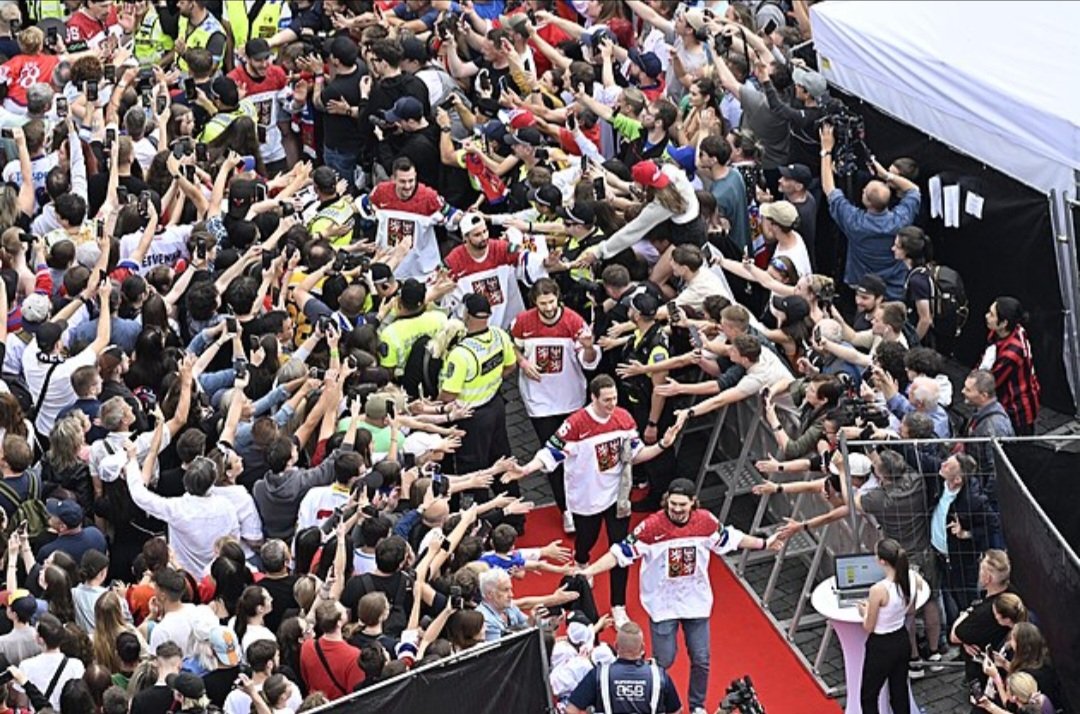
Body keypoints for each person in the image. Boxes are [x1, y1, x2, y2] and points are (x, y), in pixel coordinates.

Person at [579, 479, 776, 713]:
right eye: (672, 504)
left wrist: (764, 543)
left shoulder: (706, 521)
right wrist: (588, 571)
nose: (677, 509)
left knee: (701, 659)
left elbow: (732, 538)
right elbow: (619, 553)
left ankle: (697, 707)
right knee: (664, 661)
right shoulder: (651, 527)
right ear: (666, 502)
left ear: (693, 503)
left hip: (697, 603)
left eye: (682, 505)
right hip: (663, 605)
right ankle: (658, 703)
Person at [511, 374, 684, 622]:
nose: (611, 404)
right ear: (593, 398)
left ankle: (618, 605)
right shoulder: (576, 424)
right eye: (606, 400)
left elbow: (636, 455)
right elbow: (550, 452)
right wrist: (526, 469)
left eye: (614, 398)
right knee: (586, 541)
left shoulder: (624, 418)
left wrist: (662, 445)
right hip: (586, 498)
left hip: (617, 496)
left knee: (621, 550)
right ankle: (582, 562)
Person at [509, 279, 599, 532]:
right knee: (553, 454)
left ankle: (584, 500)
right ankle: (566, 509)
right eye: (542, 303)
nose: (548, 308)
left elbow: (588, 362)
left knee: (576, 453)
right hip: (539, 401)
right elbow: (512, 346)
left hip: (570, 398)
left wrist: (590, 348)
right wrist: (523, 363)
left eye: (551, 302)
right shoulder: (523, 322)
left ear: (558, 298)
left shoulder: (574, 322)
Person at [820, 125, 920, 300]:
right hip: (894, 288)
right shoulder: (900, 221)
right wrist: (886, 175)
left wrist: (826, 152)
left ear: (865, 199)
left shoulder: (854, 222)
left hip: (862, 287)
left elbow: (829, 189)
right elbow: (914, 191)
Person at [855, 539, 927, 714]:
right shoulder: (911, 578)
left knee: (869, 695)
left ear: (882, 561)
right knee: (899, 690)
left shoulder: (878, 590)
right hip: (901, 639)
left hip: (881, 645)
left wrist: (863, 612)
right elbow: (911, 608)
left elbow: (869, 627)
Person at [566, 622, 682, 714]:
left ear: (616, 646)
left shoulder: (599, 675)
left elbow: (571, 710)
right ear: (642, 647)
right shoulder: (659, 676)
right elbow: (676, 711)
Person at [978, 297, 1040, 435]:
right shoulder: (1007, 331)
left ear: (1004, 323)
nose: (987, 316)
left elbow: (991, 382)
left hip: (1017, 409)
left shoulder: (1011, 353)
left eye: (992, 314)